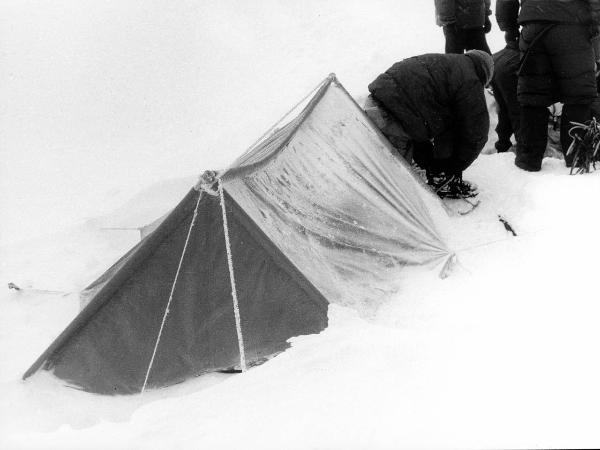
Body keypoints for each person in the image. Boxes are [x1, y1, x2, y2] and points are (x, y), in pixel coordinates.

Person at [365, 50, 494, 197]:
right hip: (393, 116)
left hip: (376, 103)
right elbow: (476, 134)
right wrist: (453, 168)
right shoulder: (470, 80)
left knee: (373, 166)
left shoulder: (447, 65)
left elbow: (429, 121)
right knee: (392, 185)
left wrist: (432, 165)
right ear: (485, 74)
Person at [496, 0, 600, 171]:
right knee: (578, 96)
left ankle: (528, 160)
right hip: (572, 25)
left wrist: (509, 29)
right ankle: (576, 158)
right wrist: (595, 26)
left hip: (533, 25)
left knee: (533, 96)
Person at [490, 32, 520, 153]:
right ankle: (522, 149)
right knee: (518, 111)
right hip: (511, 67)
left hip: (497, 62)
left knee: (504, 110)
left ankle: (502, 145)